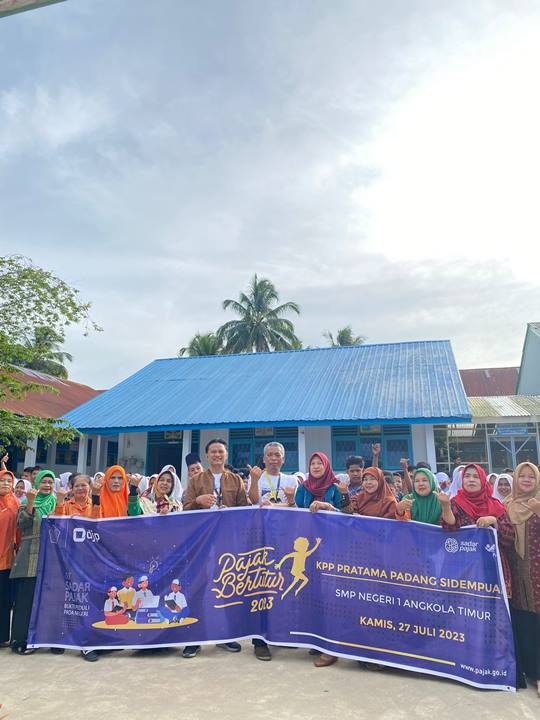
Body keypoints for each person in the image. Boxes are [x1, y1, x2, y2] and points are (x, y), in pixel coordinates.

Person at [182, 439, 248, 657]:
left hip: (226, 542)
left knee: (226, 587)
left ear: (226, 455)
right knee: (197, 587)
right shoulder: (196, 480)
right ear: (207, 455)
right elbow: (185, 509)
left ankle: (226, 636)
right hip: (201, 541)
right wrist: (198, 501)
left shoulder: (236, 480)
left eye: (221, 451)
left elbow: (245, 509)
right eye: (213, 452)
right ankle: (194, 638)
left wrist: (231, 512)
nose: (217, 455)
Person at [247, 442, 297, 661]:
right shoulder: (256, 477)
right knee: (260, 589)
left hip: (284, 540)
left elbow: (295, 508)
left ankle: (280, 635)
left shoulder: (291, 480)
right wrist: (254, 480)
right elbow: (252, 501)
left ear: (283, 459)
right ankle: (260, 641)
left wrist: (280, 504)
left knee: (282, 588)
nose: (274, 458)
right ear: (264, 458)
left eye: (278, 455)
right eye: (270, 455)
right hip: (261, 539)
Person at [441, 463, 514, 601]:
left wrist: (494, 521)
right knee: (465, 607)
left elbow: (509, 537)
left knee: (493, 607)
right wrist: (445, 506)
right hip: (462, 566)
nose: (471, 480)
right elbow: (450, 526)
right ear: (462, 480)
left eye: (476, 477)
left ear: (483, 480)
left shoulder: (496, 505)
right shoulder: (456, 502)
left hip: (492, 567)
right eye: (467, 476)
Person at [10, 470, 57, 654]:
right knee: (25, 600)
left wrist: (60, 505)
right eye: (44, 482)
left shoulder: (56, 502)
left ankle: (41, 638)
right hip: (29, 556)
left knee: (46, 601)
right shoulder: (26, 502)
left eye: (50, 482)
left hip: (51, 558)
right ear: (37, 484)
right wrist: (30, 502)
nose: (47, 485)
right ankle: (21, 640)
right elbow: (22, 524)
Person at [504, 462, 540, 693]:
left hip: (537, 572)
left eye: (531, 476)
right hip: (516, 573)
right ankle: (529, 668)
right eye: (522, 476)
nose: (526, 480)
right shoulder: (507, 504)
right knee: (522, 620)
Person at [0, 470, 19, 647]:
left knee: (4, 600)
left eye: (8, 481)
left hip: (7, 559)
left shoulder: (15, 502)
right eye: (2, 480)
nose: (6, 483)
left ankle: (2, 636)